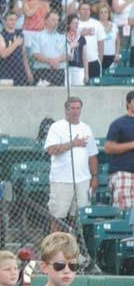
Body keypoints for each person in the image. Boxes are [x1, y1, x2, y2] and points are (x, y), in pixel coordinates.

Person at [44, 97, 98, 232]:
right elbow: (51, 150)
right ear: (66, 110)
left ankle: (74, 246)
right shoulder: (56, 127)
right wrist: (72, 144)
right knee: (57, 217)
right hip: (62, 180)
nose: (75, 111)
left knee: (79, 217)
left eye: (78, 108)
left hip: (83, 180)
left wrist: (95, 176)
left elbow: (92, 155)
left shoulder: (86, 128)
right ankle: (54, 247)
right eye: (72, 108)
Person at [104, 90, 134, 229]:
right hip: (123, 174)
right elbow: (108, 148)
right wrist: (131, 145)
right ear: (128, 103)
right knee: (122, 213)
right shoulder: (119, 123)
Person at [30, 10, 67, 86]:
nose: (56, 22)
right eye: (53, 20)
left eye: (57, 20)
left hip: (59, 72)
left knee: (58, 96)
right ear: (46, 21)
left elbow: (66, 54)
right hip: (42, 71)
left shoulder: (62, 38)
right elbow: (36, 55)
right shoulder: (37, 36)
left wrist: (56, 61)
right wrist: (51, 61)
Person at [0, 11, 33, 85]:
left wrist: (28, 71)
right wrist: (15, 44)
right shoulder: (0, 35)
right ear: (5, 21)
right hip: (6, 70)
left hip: (20, 70)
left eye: (15, 20)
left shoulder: (20, 34)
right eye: (11, 20)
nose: (13, 22)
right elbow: (3, 54)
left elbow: (23, 54)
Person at [77, 2, 105, 80]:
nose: (86, 11)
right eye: (83, 9)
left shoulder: (97, 24)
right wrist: (81, 33)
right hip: (79, 63)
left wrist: (100, 60)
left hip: (94, 61)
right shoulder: (75, 24)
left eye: (88, 9)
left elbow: (101, 43)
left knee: (95, 88)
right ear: (79, 11)